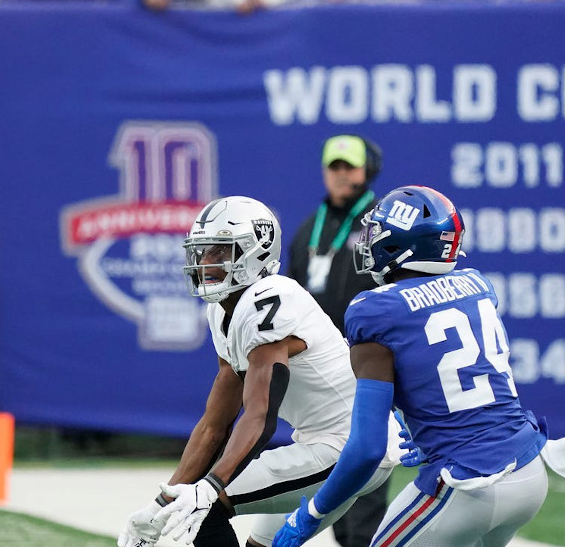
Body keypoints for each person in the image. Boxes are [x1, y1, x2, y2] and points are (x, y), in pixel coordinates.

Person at [272, 185, 565, 547]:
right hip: (528, 470)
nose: (368, 242)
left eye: (377, 233)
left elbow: (367, 449)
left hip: (466, 484)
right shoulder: (477, 285)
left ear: (401, 244)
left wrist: (310, 516)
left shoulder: (374, 309)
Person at [118, 196, 402, 547]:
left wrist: (207, 488)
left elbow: (260, 417)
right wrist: (163, 500)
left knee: (202, 509)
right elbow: (214, 425)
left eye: (219, 252)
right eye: (202, 252)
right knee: (209, 515)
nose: (205, 263)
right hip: (322, 443)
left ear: (256, 253)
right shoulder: (223, 310)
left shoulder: (269, 299)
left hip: (350, 448)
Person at [286, 135, 388, 547]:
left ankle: (361, 541)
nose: (342, 175)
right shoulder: (311, 227)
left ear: (368, 171)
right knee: (330, 458)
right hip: (321, 366)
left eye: (350, 167)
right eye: (335, 167)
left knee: (369, 455)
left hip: (371, 362)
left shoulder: (383, 223)